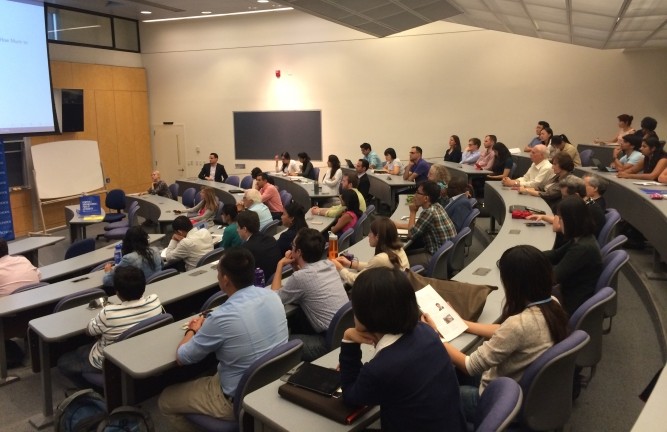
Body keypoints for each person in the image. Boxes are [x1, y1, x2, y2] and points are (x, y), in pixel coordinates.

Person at [425, 245, 568, 421]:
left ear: (514, 285)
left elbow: (470, 366)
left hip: (497, 400)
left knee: (432, 395)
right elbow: (504, 331)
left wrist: (433, 336)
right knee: (449, 373)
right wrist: (461, 322)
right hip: (519, 388)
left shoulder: (518, 325)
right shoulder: (551, 303)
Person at [158, 247, 288, 431]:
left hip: (235, 398)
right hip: (270, 384)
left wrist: (193, 331)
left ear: (225, 279)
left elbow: (182, 357)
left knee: (166, 400)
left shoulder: (222, 318)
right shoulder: (273, 297)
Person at [339, 267, 466, 432]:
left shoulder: (381, 369)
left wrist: (349, 339)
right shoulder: (427, 332)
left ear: (366, 314)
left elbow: (350, 396)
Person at [58, 266, 163, 388]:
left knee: (63, 362)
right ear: (144, 286)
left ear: (117, 292)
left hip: (109, 362)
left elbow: (89, 331)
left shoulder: (109, 313)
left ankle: (91, 391)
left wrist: (103, 315)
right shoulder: (155, 301)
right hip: (142, 351)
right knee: (83, 349)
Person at [271, 228, 348, 361]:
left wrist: (280, 265)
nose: (291, 249)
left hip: (327, 342)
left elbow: (273, 298)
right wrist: (296, 266)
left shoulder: (301, 278)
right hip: (343, 334)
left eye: (293, 246)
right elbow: (305, 283)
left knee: (277, 344)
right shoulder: (329, 264)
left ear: (299, 252)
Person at [544, 196, 603, 315]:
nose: (558, 222)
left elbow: (554, 277)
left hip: (569, 303)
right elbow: (555, 255)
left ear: (571, 221)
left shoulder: (583, 248)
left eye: (560, 218)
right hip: (569, 292)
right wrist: (528, 254)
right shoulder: (581, 238)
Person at [394, 180, 457, 267]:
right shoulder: (437, 206)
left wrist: (412, 212)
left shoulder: (428, 212)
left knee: (398, 262)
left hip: (437, 257)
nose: (414, 195)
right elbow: (418, 227)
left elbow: (411, 234)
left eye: (417, 193)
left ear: (426, 198)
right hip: (444, 253)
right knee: (404, 253)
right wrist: (399, 225)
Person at [332, 217, 409, 285]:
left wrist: (340, 268)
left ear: (377, 237)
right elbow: (373, 267)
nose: (368, 235)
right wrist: (350, 264)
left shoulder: (381, 259)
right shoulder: (398, 248)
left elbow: (355, 280)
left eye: (371, 232)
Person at [237, 210, 282, 280]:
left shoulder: (245, 249)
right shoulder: (270, 238)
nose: (237, 230)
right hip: (277, 279)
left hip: (261, 284)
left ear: (244, 229)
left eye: (238, 227)